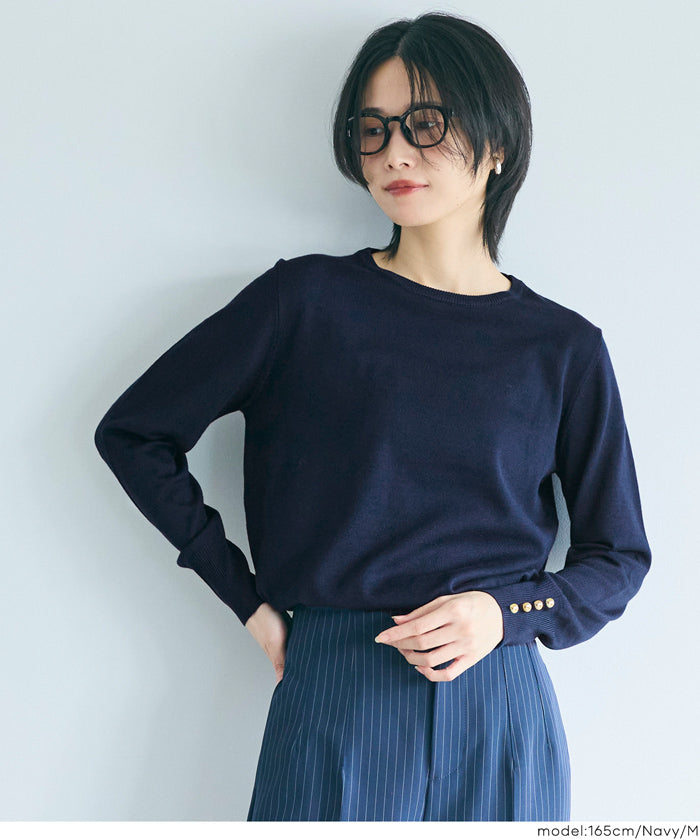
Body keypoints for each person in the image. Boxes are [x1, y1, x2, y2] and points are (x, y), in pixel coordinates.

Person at [93, 11, 652, 822]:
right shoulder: (305, 303)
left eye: (426, 124)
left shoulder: (562, 347)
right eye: (373, 128)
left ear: (497, 143)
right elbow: (136, 433)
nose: (394, 152)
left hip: (501, 703)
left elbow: (618, 556)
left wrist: (503, 613)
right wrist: (244, 599)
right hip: (335, 688)